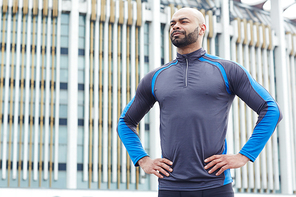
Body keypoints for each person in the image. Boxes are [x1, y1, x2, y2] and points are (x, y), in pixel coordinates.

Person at [117, 7, 282, 197]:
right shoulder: (155, 77)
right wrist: (143, 159)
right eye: (172, 23)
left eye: (183, 21)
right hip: (170, 187)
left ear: (202, 28)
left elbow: (271, 110)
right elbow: (126, 122)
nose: (175, 26)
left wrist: (244, 156)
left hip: (216, 186)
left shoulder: (227, 70)